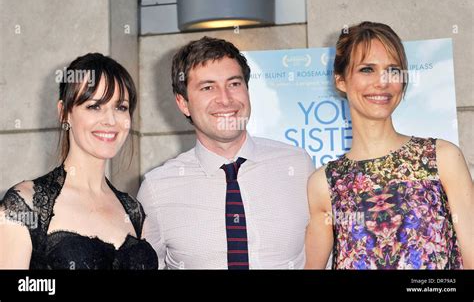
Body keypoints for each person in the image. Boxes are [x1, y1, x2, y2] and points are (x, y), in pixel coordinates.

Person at [305, 21, 473, 269]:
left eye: (393, 70)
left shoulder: (441, 158)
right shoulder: (325, 182)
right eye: (367, 69)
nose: (382, 82)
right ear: (341, 80)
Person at [137, 37, 314, 269]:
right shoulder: (156, 189)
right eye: (208, 87)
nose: (225, 99)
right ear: (183, 103)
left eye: (234, 84)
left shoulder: (298, 167)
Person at [0, 53, 158, 269]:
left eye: (120, 107)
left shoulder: (134, 212)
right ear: (64, 113)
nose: (110, 120)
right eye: (94, 106)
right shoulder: (24, 206)